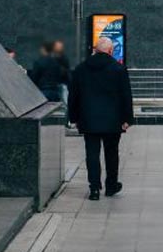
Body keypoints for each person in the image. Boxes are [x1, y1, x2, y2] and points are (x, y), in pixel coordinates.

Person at [68, 40, 132, 202]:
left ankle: (94, 188)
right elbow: (126, 96)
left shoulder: (81, 69)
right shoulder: (119, 68)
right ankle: (111, 186)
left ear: (95, 50)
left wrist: (74, 117)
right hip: (113, 120)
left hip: (88, 118)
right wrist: (127, 119)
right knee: (111, 153)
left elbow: (73, 95)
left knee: (92, 154)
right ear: (110, 50)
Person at [27, 39, 68, 108]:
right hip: (55, 91)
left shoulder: (39, 62)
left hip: (43, 91)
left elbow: (34, 77)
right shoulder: (56, 62)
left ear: (43, 50)